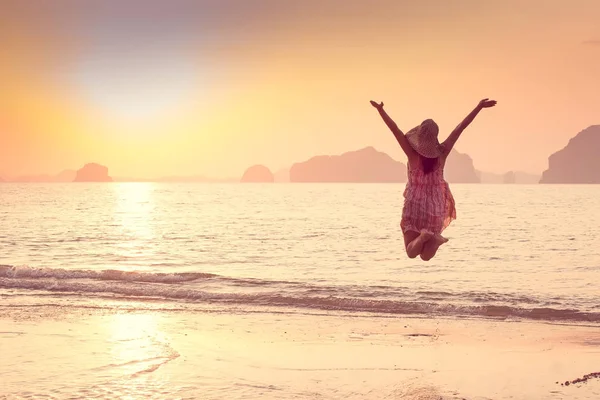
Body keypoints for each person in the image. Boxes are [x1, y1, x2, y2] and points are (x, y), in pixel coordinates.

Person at [370, 98, 497, 260]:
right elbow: (460, 128)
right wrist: (479, 107)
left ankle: (423, 237)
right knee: (425, 257)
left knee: (411, 252)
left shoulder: (412, 154)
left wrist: (380, 110)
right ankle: (433, 240)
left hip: (414, 204)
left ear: (420, 137)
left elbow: (395, 130)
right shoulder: (443, 153)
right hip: (435, 208)